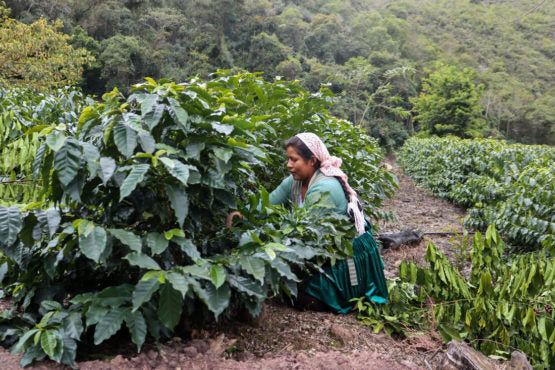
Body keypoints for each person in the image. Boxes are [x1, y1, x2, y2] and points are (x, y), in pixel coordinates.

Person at [227, 132, 388, 313]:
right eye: (288, 159)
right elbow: (268, 203)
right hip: (323, 251)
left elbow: (309, 238)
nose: (289, 165)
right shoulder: (297, 181)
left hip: (342, 257)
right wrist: (241, 215)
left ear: (312, 160)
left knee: (295, 295)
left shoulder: (323, 188)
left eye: (294, 160)